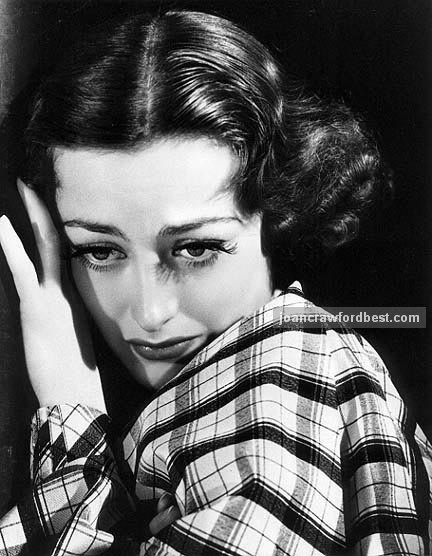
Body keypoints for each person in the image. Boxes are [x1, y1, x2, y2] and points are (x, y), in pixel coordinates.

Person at [0, 8, 430, 556]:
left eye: (197, 249)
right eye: (99, 251)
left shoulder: (286, 369)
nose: (150, 312)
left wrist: (71, 414)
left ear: (274, 217)